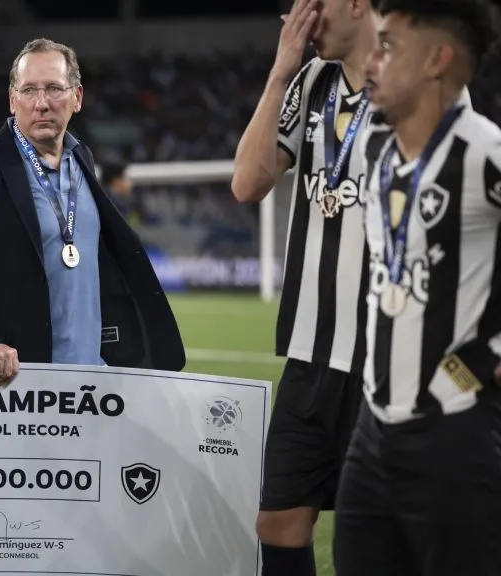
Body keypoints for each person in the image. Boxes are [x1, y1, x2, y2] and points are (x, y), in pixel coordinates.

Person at [0, 38, 184, 387]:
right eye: (29, 91)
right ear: (12, 100)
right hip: (17, 385)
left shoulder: (81, 161)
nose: (41, 104)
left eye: (54, 89)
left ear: (77, 97)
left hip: (91, 378)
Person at [334, 1, 501, 573]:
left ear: (437, 59)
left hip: (455, 432)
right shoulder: (374, 147)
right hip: (373, 427)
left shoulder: (484, 154)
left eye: (389, 45)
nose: (373, 59)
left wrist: (479, 362)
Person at [230, 1, 384, 572]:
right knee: (278, 521)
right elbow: (248, 182)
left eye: (310, 5)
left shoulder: (414, 80)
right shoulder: (312, 81)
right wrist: (279, 72)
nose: (298, 18)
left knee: (374, 531)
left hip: (384, 358)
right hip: (310, 352)